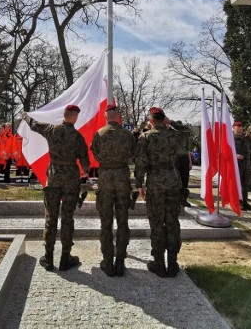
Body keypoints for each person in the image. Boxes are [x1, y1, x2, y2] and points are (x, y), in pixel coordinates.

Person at [22, 105, 90, 272]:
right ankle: (65, 258)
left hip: (53, 177)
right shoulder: (77, 136)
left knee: (50, 217)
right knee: (67, 217)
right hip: (71, 178)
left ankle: (48, 257)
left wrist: (25, 116)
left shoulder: (51, 130)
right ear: (74, 117)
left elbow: (34, 125)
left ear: (64, 115)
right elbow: (85, 161)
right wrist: (85, 172)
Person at [90, 103, 137, 277]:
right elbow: (134, 153)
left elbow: (94, 154)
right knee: (123, 221)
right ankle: (120, 262)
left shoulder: (99, 134)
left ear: (105, 116)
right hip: (122, 178)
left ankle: (108, 262)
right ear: (117, 116)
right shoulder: (127, 135)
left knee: (106, 222)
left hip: (105, 179)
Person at [135, 107, 181, 278]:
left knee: (156, 222)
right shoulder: (174, 135)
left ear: (152, 120)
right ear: (164, 119)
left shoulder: (146, 137)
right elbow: (186, 132)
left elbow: (140, 162)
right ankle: (173, 263)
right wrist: (171, 123)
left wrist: (139, 183)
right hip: (172, 180)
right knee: (172, 221)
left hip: (155, 182)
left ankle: (159, 263)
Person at [169, 120, 193, 208]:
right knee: (176, 179)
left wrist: (190, 162)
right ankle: (175, 200)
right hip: (175, 158)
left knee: (185, 179)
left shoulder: (185, 136)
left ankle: (184, 199)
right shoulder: (171, 135)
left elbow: (188, 150)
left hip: (184, 158)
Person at [233, 121, 251, 209]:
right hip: (236, 165)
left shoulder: (246, 139)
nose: (240, 130)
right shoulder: (230, 139)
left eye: (241, 128)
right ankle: (238, 202)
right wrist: (235, 156)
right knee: (237, 184)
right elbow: (225, 152)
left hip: (246, 164)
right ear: (234, 128)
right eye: (238, 128)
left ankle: (245, 202)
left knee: (245, 184)